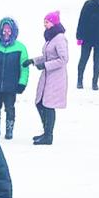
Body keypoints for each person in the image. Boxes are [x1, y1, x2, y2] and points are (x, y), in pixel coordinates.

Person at [26, 12, 68, 145]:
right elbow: (47, 55)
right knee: (39, 102)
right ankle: (46, 132)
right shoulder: (51, 37)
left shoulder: (60, 38)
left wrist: (45, 65)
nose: (45, 24)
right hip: (47, 76)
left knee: (48, 105)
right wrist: (33, 61)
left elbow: (63, 59)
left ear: (54, 23)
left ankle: (48, 136)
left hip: (56, 77)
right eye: (44, 21)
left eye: (47, 22)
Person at [0, 17, 29, 139]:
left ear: (14, 31)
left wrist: (22, 82)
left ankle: (9, 130)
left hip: (11, 85)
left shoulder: (21, 47)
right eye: (4, 30)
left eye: (9, 30)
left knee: (10, 108)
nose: (6, 32)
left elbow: (25, 68)